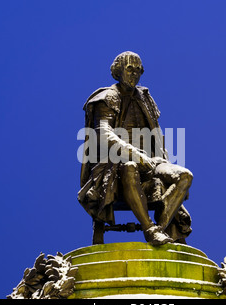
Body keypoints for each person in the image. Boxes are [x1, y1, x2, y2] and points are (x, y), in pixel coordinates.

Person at [78, 51, 193, 246]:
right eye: (130, 69)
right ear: (118, 71)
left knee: (184, 176)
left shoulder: (145, 98)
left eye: (138, 70)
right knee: (129, 166)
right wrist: (135, 153)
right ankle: (149, 228)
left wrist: (160, 159)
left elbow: (156, 134)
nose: (135, 74)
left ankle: (159, 228)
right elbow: (103, 133)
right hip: (114, 163)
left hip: (151, 162)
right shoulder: (106, 97)